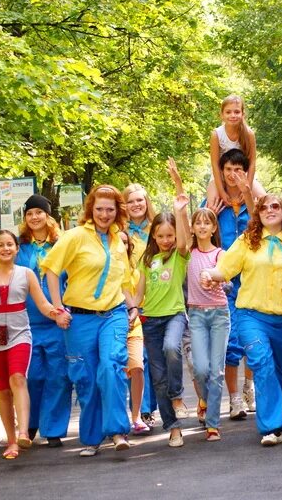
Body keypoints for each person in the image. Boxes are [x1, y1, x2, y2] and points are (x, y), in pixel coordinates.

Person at [0, 195, 73, 448]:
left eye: (40, 212)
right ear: (25, 219)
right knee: (31, 376)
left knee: (59, 376)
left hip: (57, 321)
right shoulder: (18, 248)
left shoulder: (62, 245)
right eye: (30, 213)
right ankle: (31, 423)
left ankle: (54, 429)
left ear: (49, 216)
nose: (35, 217)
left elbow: (77, 275)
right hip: (24, 325)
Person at [41, 185, 136, 456]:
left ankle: (117, 431)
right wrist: (58, 309)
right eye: (99, 209)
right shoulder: (74, 237)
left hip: (114, 314)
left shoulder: (120, 239)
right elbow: (50, 270)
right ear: (90, 210)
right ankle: (93, 438)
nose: (105, 214)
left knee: (111, 366)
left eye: (110, 209)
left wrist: (132, 309)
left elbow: (124, 280)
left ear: (117, 211)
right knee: (86, 378)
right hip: (80, 319)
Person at [201, 194, 282, 447]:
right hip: (251, 315)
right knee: (261, 362)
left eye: (275, 206)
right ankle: (272, 426)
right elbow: (224, 269)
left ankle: (279, 409)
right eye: (264, 207)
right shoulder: (247, 241)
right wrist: (209, 274)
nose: (269, 210)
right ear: (257, 214)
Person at [133, 196, 191, 448]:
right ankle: (173, 428)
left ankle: (177, 397)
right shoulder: (147, 261)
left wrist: (179, 213)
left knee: (172, 347)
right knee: (157, 377)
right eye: (161, 236)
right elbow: (139, 291)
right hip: (151, 320)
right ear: (154, 237)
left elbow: (184, 240)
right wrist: (134, 308)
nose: (166, 240)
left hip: (175, 314)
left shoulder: (179, 256)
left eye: (170, 235)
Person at [210, 148, 257, 420]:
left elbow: (260, 227)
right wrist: (210, 214)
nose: (232, 175)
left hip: (251, 281)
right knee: (231, 343)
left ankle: (249, 386)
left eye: (238, 169)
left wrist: (248, 193)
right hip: (224, 283)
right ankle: (234, 398)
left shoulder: (254, 202)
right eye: (227, 169)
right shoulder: (216, 204)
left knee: (251, 338)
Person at [185, 206, 230, 441]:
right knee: (201, 369)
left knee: (217, 372)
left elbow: (224, 273)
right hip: (196, 316)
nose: (202, 226)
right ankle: (203, 399)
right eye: (198, 223)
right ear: (192, 228)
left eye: (207, 223)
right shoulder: (187, 252)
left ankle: (213, 424)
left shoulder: (220, 253)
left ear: (214, 228)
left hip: (220, 315)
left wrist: (212, 275)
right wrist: (181, 206)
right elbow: (181, 226)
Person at [122, 183, 158, 431]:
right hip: (130, 300)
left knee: (153, 358)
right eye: (131, 201)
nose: (137, 205)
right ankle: (140, 410)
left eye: (140, 200)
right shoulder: (119, 232)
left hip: (155, 298)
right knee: (136, 359)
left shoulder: (157, 228)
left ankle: (149, 408)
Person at [206, 94, 266, 210]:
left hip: (244, 174)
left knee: (264, 200)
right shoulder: (216, 134)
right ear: (222, 115)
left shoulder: (249, 134)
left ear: (243, 114)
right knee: (212, 206)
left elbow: (252, 162)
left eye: (236, 112)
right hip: (221, 174)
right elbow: (214, 164)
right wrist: (222, 191)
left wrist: (246, 189)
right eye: (228, 112)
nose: (232, 115)